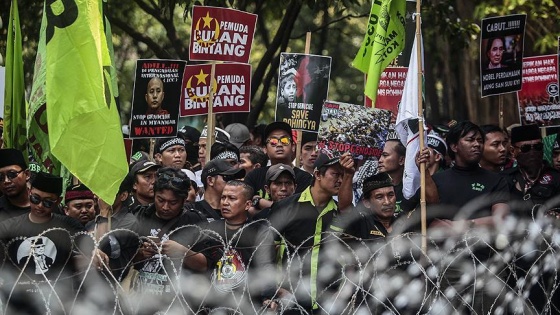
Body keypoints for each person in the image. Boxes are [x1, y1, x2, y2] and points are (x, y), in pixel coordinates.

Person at [267, 153, 354, 313]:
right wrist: (276, 289)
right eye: (335, 174)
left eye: (343, 176)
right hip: (292, 299)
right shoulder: (286, 207)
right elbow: (267, 251)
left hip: (329, 301)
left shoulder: (340, 213)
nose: (340, 180)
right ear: (317, 175)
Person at [183, 180, 279, 313]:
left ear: (248, 205)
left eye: (232, 198)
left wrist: (268, 296)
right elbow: (201, 264)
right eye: (223, 197)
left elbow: (266, 266)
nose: (225, 202)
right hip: (214, 305)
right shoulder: (211, 229)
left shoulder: (258, 232)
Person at [0, 172, 85, 314]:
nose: (40, 206)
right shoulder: (9, 227)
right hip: (20, 304)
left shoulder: (68, 226)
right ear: (29, 192)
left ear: (58, 201)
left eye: (47, 202)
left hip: (55, 303)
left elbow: (87, 241)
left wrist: (94, 251)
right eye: (35, 199)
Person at [132, 167, 206, 314]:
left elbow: (205, 265)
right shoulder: (139, 216)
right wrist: (140, 254)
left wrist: (183, 252)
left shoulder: (194, 221)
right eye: (161, 200)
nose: (165, 207)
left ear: (184, 200)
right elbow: (122, 260)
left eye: (173, 202)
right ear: (154, 194)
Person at [430, 121, 509, 229]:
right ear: (454, 147)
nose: (477, 144)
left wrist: (462, 225)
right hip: (446, 244)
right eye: (470, 140)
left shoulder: (496, 181)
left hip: (483, 243)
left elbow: (501, 218)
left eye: (480, 141)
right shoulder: (436, 181)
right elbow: (426, 219)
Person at [244, 122, 312, 206]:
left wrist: (260, 202)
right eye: (273, 141)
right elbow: (246, 207)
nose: (279, 145)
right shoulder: (253, 176)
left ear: (293, 147)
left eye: (284, 140)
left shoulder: (305, 178)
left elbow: (296, 210)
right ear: (265, 149)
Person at [503, 124, 560, 215]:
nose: (532, 152)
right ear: (513, 151)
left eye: (537, 147)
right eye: (526, 148)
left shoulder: (556, 178)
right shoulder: (504, 179)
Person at [330, 172, 397, 242]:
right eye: (379, 197)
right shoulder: (361, 224)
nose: (387, 202)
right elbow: (345, 208)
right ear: (367, 203)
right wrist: (348, 174)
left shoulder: (403, 222)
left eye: (390, 195)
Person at [378, 136, 418, 214]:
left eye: (385, 155)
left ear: (401, 160)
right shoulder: (372, 186)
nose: (380, 160)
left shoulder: (413, 190)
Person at [0, 148, 31, 221]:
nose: (6, 181)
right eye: (0, 177)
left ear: (27, 174)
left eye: (12, 174)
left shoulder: (44, 206)